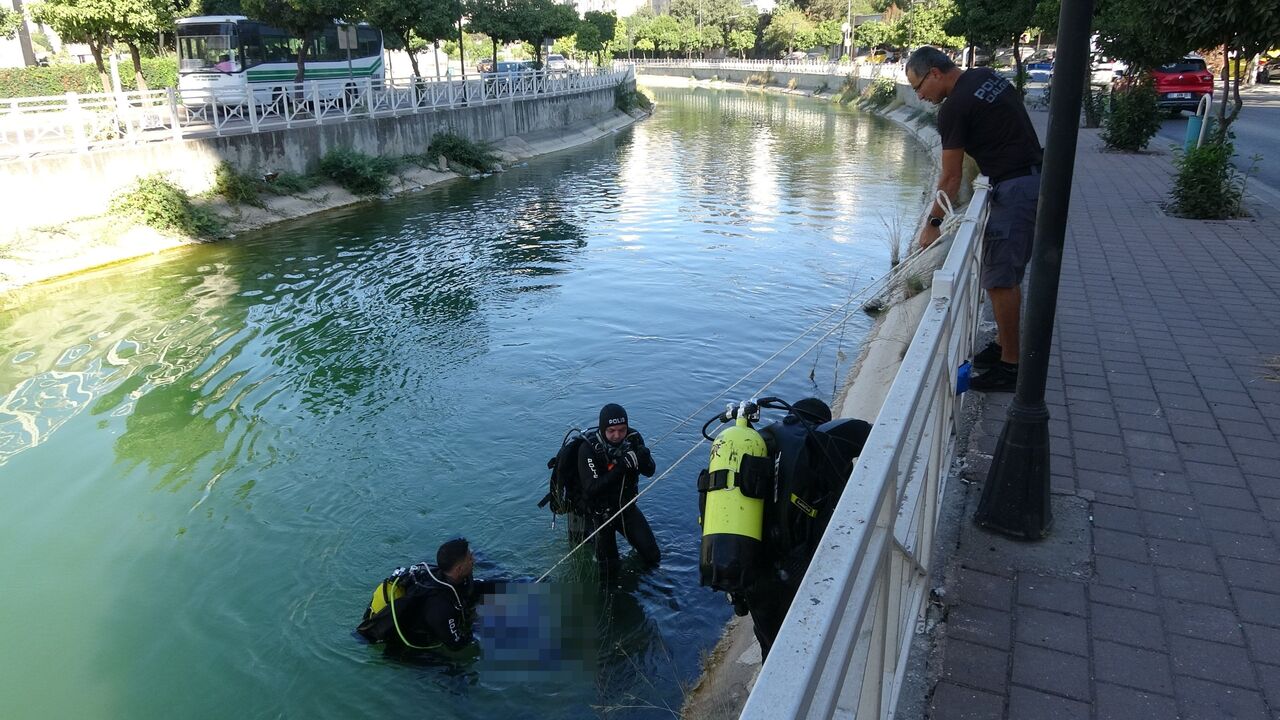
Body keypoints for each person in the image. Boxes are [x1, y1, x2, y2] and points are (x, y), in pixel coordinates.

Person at [906, 45, 1044, 393]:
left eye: (918, 87)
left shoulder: (953, 108)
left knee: (999, 278)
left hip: (1014, 188)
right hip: (1031, 176)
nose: (920, 97)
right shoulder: (985, 77)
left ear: (935, 72)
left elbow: (951, 178)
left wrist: (932, 225)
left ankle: (1011, 368)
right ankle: (1002, 345)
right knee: (1006, 273)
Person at [743, 398, 872, 658]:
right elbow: (878, 435)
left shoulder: (763, 439)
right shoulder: (824, 439)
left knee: (770, 645)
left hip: (751, 566)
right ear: (822, 420)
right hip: (794, 566)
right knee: (803, 642)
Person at [356, 537, 490, 656]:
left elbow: (472, 588)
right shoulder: (441, 608)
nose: (474, 560)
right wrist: (477, 626)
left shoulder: (436, 574)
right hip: (408, 647)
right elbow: (456, 644)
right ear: (459, 569)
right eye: (470, 558)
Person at [577, 403, 661, 578]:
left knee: (653, 557)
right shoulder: (588, 449)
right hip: (601, 515)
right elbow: (591, 488)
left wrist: (644, 458)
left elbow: (650, 471)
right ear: (602, 429)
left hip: (626, 508)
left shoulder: (633, 439)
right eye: (611, 431)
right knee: (610, 572)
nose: (617, 436)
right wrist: (620, 467)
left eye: (622, 430)